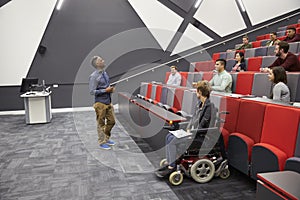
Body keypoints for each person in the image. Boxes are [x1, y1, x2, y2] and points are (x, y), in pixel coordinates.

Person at [155, 81, 216, 177]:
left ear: (199, 92)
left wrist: (191, 132)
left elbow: (203, 124)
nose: (196, 93)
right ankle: (169, 161)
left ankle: (172, 166)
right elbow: (193, 119)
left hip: (199, 134)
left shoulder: (209, 107)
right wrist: (187, 127)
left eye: (196, 91)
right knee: (168, 136)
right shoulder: (199, 104)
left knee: (172, 141)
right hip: (191, 131)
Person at [89, 56, 116, 150]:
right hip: (100, 103)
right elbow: (92, 91)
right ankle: (102, 142)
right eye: (101, 60)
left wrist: (110, 90)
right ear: (97, 64)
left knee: (112, 121)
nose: (103, 61)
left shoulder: (105, 73)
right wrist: (105, 90)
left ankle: (107, 138)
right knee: (101, 123)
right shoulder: (93, 76)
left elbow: (107, 87)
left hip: (108, 102)